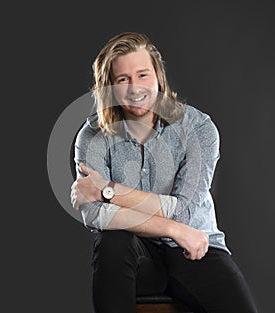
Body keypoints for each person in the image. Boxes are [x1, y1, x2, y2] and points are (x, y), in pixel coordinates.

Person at [70, 32, 258, 313]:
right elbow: (95, 214)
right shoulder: (92, 136)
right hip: (139, 257)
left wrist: (107, 190)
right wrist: (172, 229)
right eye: (123, 79)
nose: (135, 88)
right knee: (113, 241)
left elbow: (182, 211)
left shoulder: (198, 128)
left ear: (159, 76)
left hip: (196, 250)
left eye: (143, 75)